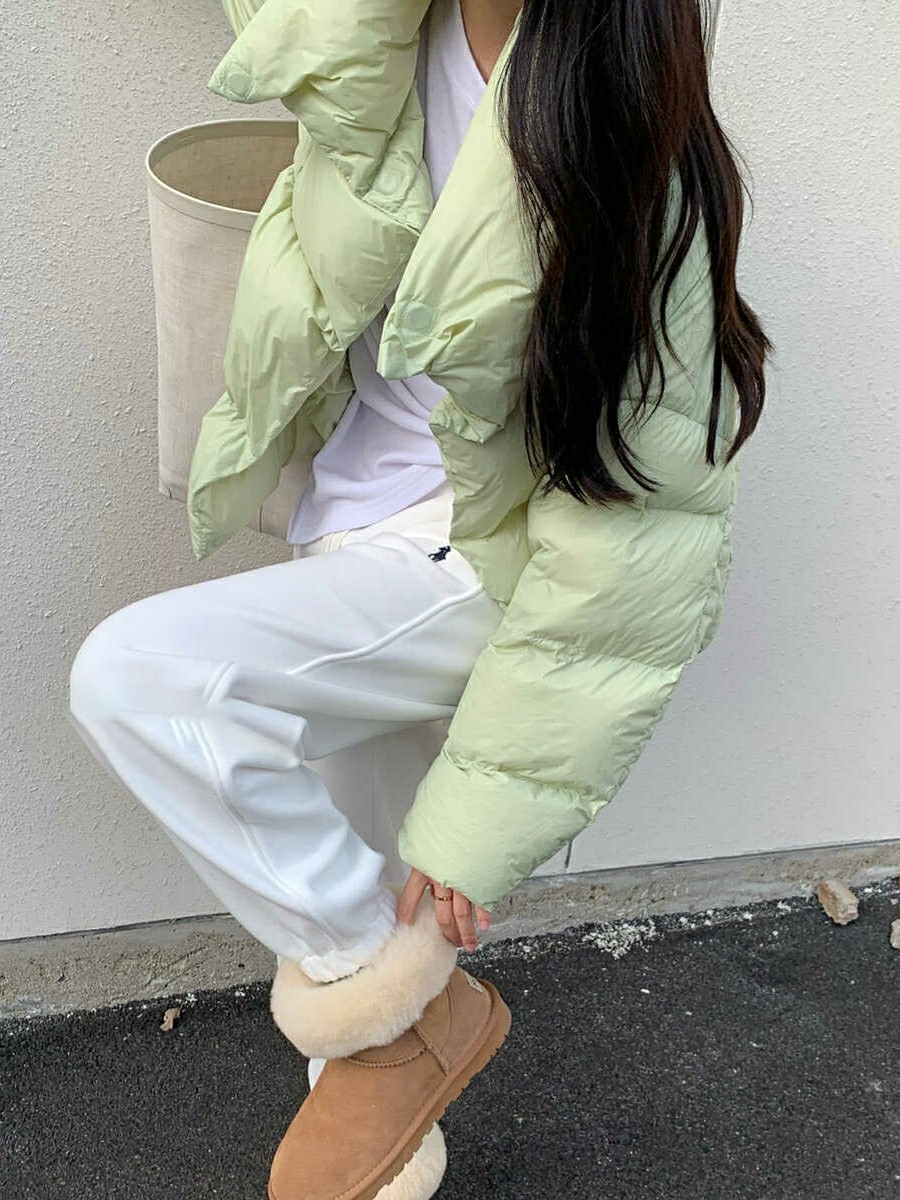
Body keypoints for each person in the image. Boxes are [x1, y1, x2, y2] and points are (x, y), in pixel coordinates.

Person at [68, 0, 772, 1197]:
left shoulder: (621, 133)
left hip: (478, 564)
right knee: (357, 893)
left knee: (147, 686)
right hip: (348, 523)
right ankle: (396, 1067)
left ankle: (412, 1027)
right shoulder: (371, 19)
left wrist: (486, 814)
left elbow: (637, 533)